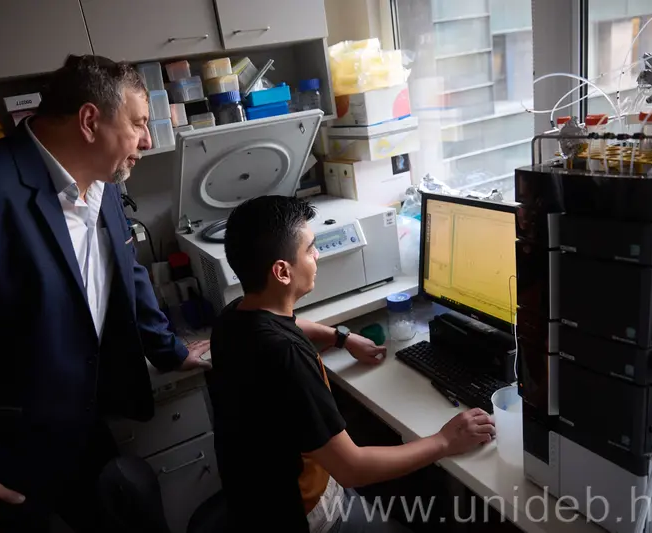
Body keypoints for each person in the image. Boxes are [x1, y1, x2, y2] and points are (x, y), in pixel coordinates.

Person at [0, 55, 211, 533]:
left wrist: (169, 350)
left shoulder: (104, 181)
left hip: (82, 425)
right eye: (138, 123)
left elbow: (126, 271)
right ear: (89, 121)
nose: (148, 140)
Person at [207, 196, 497, 533]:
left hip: (254, 499)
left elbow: (287, 325)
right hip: (306, 515)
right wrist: (445, 440)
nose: (317, 255)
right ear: (282, 272)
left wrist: (341, 338)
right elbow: (351, 469)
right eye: (310, 249)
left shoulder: (232, 318)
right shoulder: (287, 356)